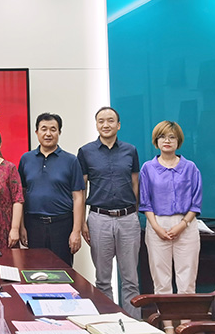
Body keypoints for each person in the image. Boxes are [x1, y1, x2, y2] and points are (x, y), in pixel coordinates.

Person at [77, 107, 141, 318]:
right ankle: (109, 323)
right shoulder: (85, 152)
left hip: (128, 219)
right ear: (96, 125)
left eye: (111, 120)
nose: (106, 125)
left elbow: (135, 183)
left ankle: (133, 325)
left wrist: (134, 214)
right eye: (101, 121)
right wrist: (82, 223)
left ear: (118, 125)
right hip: (99, 219)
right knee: (103, 280)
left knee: (130, 279)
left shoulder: (130, 150)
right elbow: (82, 189)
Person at [140, 121, 202, 334]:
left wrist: (182, 224)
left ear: (178, 141)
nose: (167, 141)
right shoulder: (148, 168)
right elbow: (145, 202)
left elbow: (196, 203)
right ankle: (167, 326)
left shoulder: (190, 167)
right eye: (162, 137)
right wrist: (156, 227)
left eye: (172, 137)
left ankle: (185, 325)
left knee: (187, 279)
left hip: (186, 225)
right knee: (161, 279)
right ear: (156, 141)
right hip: (157, 225)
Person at [18, 112, 85, 266]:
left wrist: (76, 231)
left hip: (62, 224)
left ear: (59, 132)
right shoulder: (26, 159)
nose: (48, 133)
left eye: (53, 129)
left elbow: (78, 197)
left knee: (62, 271)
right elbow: (20, 195)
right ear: (36, 132)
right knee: (35, 271)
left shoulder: (71, 160)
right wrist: (22, 227)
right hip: (33, 224)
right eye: (44, 129)